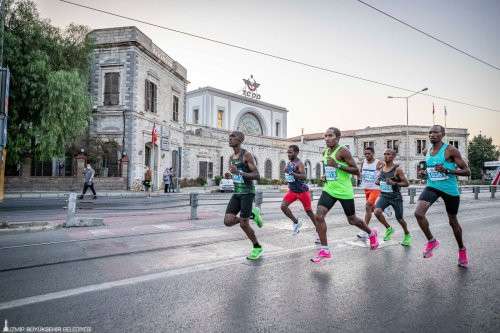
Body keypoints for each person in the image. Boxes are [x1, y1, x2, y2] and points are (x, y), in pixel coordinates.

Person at [312, 127, 379, 263]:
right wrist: (326, 175)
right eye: (325, 136)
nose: (327, 138)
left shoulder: (343, 151)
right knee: (318, 216)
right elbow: (329, 168)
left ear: (337, 138)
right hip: (329, 189)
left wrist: (338, 165)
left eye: (330, 135)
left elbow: (355, 171)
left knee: (352, 220)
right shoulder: (325, 152)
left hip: (344, 191)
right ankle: (325, 250)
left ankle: (371, 233)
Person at [414, 125, 471, 267]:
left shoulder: (450, 150)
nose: (432, 135)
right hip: (432, 186)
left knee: (452, 221)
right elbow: (431, 169)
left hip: (449, 189)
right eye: (430, 132)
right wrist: (425, 173)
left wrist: (447, 170)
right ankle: (432, 241)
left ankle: (461, 249)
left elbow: (467, 171)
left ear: (442, 134)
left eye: (435, 132)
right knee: (418, 213)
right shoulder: (426, 151)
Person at [224, 131, 264, 260]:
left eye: (233, 137)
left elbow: (257, 175)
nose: (230, 139)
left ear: (240, 140)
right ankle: (253, 214)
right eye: (229, 137)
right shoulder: (231, 157)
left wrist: (239, 172)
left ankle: (257, 247)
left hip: (247, 193)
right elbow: (236, 173)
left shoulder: (246, 155)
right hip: (237, 193)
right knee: (228, 221)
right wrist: (230, 175)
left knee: (243, 224)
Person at [373, 149, 412, 246]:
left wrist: (394, 183)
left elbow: (406, 183)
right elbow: (379, 180)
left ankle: (407, 234)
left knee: (399, 218)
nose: (386, 156)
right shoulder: (382, 168)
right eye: (385, 154)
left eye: (388, 154)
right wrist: (378, 181)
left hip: (395, 197)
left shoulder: (397, 170)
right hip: (384, 195)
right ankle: (389, 228)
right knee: (377, 211)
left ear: (393, 156)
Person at [280, 145, 316, 235]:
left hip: (302, 191)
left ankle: (319, 229)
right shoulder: (289, 163)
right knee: (283, 206)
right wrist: (286, 172)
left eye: (290, 152)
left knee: (309, 211)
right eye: (287, 152)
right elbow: (288, 174)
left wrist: (292, 173)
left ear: (296, 153)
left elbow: (304, 176)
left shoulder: (299, 163)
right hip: (292, 191)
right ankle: (296, 222)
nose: (288, 154)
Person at [357, 146, 384, 240]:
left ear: (373, 153)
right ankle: (381, 208)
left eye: (369, 153)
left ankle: (365, 230)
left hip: (375, 188)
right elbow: (360, 172)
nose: (367, 155)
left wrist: (381, 173)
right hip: (367, 188)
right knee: (371, 209)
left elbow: (387, 169)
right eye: (365, 154)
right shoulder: (363, 162)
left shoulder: (378, 162)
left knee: (368, 206)